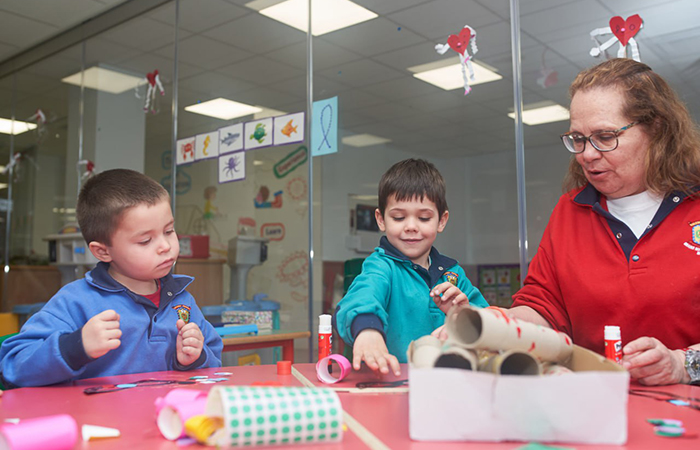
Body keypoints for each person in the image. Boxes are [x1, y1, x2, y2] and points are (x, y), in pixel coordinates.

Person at [509, 58, 700, 386]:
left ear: (656, 128)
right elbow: (542, 306)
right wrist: (493, 323)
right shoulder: (569, 212)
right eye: (578, 139)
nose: (587, 154)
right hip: (596, 407)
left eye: (604, 136)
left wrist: (684, 364)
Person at [0, 169, 223, 388]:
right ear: (103, 252)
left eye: (169, 231)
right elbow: (13, 366)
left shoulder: (181, 299)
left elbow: (215, 364)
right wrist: (76, 346)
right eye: (145, 241)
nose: (165, 246)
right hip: (95, 422)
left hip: (165, 419)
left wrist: (195, 359)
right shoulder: (76, 301)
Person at [334, 159, 488, 376]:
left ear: (441, 221)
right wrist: (367, 330)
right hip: (393, 383)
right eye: (399, 217)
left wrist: (464, 316)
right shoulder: (381, 266)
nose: (411, 227)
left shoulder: (453, 273)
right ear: (381, 219)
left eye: (424, 218)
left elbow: (490, 326)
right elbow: (360, 299)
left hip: (447, 383)